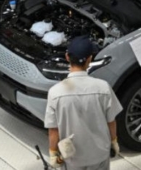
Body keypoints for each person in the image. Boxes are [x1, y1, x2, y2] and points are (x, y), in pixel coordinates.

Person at [45, 36, 122, 170]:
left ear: (67, 57)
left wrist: (53, 153)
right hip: (100, 155)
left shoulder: (55, 92)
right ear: (89, 59)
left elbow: (53, 129)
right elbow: (111, 121)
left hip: (72, 158)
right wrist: (114, 141)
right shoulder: (103, 88)